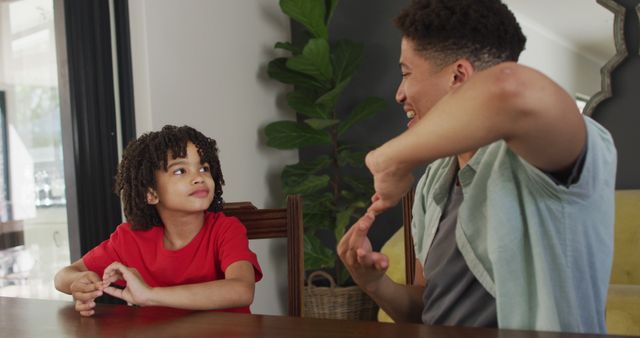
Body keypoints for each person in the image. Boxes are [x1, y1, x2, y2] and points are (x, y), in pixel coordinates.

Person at [338, 0, 616, 333]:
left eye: (406, 73)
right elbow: (428, 312)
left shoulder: (551, 154)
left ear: (458, 76)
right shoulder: (434, 183)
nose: (399, 93)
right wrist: (375, 284)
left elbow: (511, 87)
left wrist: (389, 158)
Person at [54, 125, 262, 316]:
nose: (199, 177)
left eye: (204, 168)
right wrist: (81, 284)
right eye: (180, 170)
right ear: (151, 193)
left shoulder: (226, 230)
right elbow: (63, 277)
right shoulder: (130, 239)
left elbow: (241, 289)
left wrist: (149, 294)